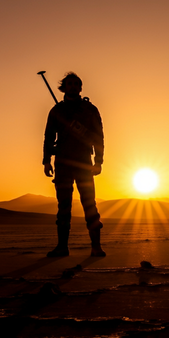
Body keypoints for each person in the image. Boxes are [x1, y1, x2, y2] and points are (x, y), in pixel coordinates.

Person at [42, 72, 106, 257]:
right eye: (69, 84)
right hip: (62, 163)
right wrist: (46, 161)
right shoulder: (56, 111)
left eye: (75, 84)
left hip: (84, 163)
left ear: (80, 87)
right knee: (63, 207)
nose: (72, 86)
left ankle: (96, 247)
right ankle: (62, 247)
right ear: (64, 87)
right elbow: (48, 137)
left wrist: (99, 161)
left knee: (89, 205)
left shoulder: (90, 110)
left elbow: (99, 136)